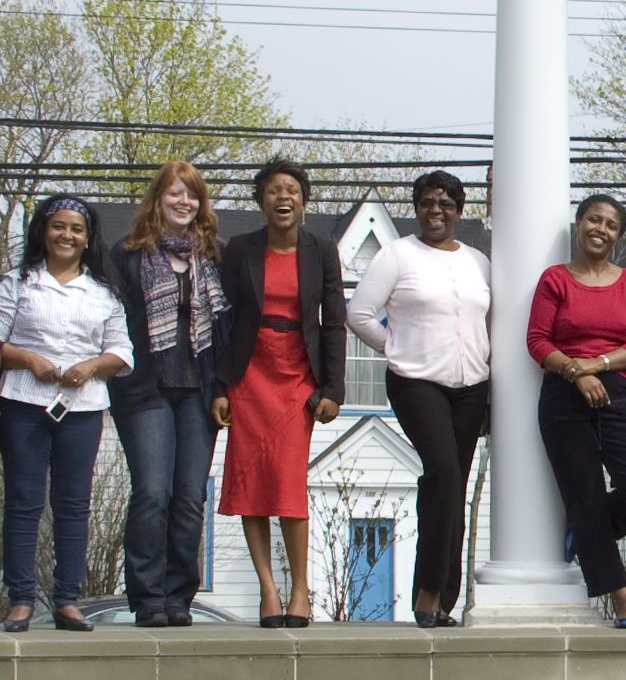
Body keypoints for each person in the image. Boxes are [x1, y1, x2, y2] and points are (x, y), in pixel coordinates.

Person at [346, 170, 492, 628]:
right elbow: (359, 314)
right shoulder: (397, 254)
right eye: (428, 203)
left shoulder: (478, 261)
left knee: (454, 486)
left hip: (472, 387)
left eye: (446, 204)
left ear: (458, 211)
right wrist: (395, 347)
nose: (436, 211)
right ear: (417, 208)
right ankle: (427, 593)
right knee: (443, 474)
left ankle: (444, 599)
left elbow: (490, 323)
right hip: (416, 382)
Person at [0, 194, 134, 633]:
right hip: (24, 403)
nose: (66, 235)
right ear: (43, 231)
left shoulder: (103, 292)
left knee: (73, 505)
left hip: (83, 408)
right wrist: (28, 359)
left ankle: (68, 600)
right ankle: (20, 599)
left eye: (76, 229)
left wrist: (91, 366)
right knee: (24, 502)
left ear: (88, 239)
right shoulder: (19, 283)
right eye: (58, 226)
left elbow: (122, 351)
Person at [214, 158, 346, 629]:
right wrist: (221, 386)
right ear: (261, 200)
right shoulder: (239, 250)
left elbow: (334, 320)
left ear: (304, 201)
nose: (283, 197)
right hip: (249, 372)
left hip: (298, 374)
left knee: (288, 482)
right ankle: (268, 590)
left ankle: (299, 591)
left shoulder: (322, 250)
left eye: (291, 190)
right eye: (273, 191)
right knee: (251, 483)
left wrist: (334, 388)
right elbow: (223, 321)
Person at [530, 193, 626, 628]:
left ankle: (587, 535)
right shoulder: (555, 280)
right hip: (565, 396)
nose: (600, 229)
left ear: (618, 235)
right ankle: (622, 597)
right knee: (584, 494)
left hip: (618, 392)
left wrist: (599, 365)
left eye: (610, 224)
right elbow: (538, 341)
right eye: (593, 220)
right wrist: (576, 372)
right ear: (579, 223)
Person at [107, 161, 228, 628]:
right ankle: (147, 596)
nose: (184, 202)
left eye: (192, 195)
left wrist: (222, 389)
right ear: (157, 199)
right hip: (144, 390)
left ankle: (179, 596)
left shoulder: (213, 256)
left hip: (199, 392)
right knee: (153, 492)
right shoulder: (128, 254)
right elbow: (113, 323)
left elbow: (226, 329)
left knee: (189, 497)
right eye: (175, 193)